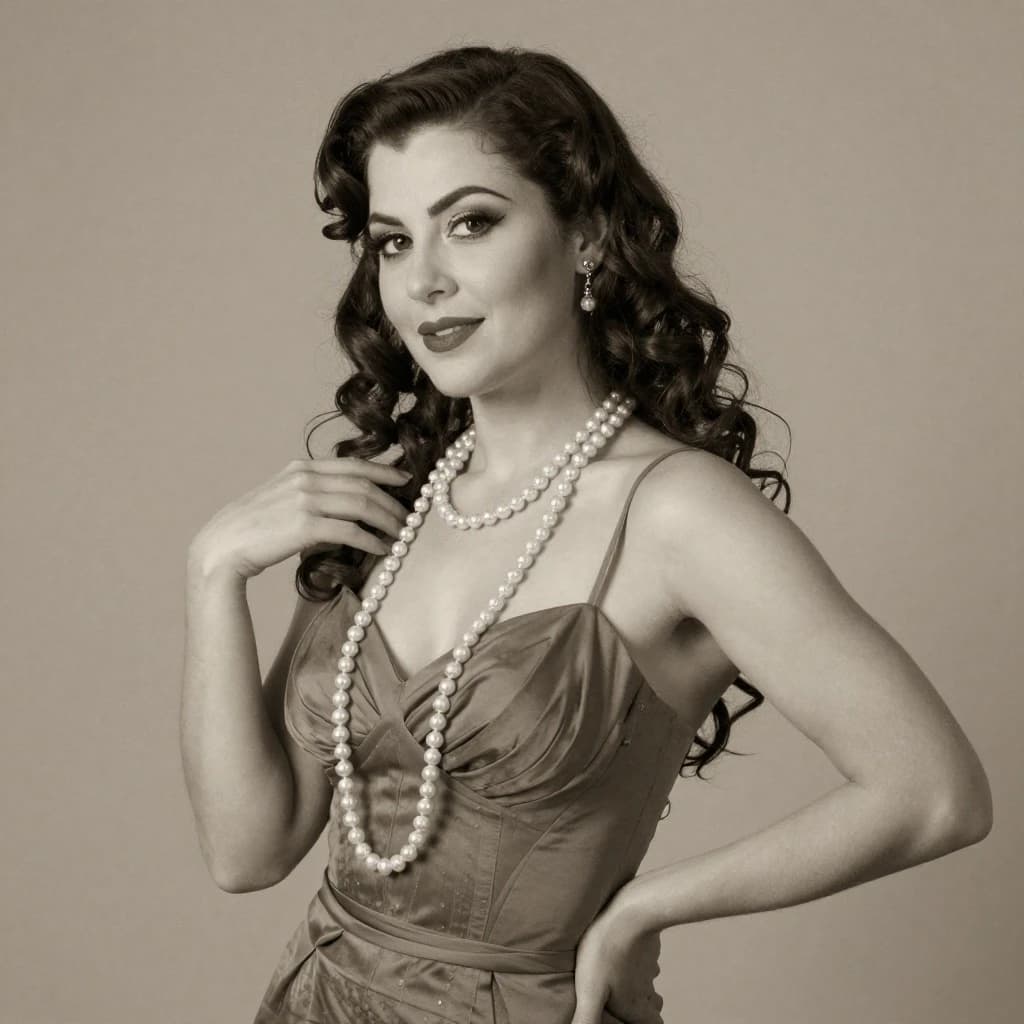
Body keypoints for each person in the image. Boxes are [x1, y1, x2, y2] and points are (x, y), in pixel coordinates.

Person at [179, 44, 993, 1024]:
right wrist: (213, 573)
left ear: (588, 240)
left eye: (469, 223)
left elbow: (934, 791)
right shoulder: (387, 498)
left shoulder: (675, 512)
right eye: (393, 241)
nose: (424, 280)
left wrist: (647, 907)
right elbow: (247, 851)